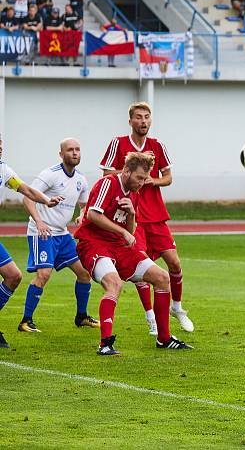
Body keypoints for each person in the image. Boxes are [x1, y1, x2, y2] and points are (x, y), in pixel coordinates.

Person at [76, 153, 192, 355]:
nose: (142, 182)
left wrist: (131, 214)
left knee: (162, 278)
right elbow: (92, 215)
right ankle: (105, 344)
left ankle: (164, 339)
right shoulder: (108, 183)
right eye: (139, 177)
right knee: (114, 283)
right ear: (127, 171)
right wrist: (122, 232)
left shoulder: (134, 192)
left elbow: (130, 231)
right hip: (93, 244)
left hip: (119, 247)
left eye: (145, 178)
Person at [99, 102, 194, 335]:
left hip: (157, 214)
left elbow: (168, 177)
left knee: (175, 263)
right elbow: (106, 174)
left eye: (147, 117)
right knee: (142, 268)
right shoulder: (117, 143)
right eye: (139, 117)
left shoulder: (157, 145)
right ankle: (150, 317)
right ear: (130, 121)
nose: (144, 121)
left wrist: (153, 180)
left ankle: (177, 308)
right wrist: (131, 169)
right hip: (134, 217)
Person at [18, 139, 98, 333]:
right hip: (42, 233)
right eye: (70, 150)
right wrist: (38, 220)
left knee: (85, 273)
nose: (75, 153)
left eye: (78, 149)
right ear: (61, 154)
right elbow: (27, 198)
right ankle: (25, 321)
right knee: (44, 274)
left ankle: (81, 316)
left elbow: (84, 205)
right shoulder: (50, 175)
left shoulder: (81, 179)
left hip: (62, 235)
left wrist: (81, 215)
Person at [0, 137, 67, 348]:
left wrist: (47, 201)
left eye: (1, 144)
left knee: (13, 276)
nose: (1, 148)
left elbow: (26, 190)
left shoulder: (3, 170)